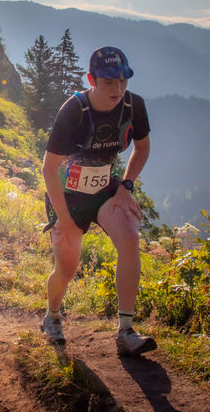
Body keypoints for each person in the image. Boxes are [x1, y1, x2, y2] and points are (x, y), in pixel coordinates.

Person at [40, 46, 156, 357]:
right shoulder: (74, 111)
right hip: (67, 194)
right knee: (67, 268)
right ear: (91, 80)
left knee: (130, 237)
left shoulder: (133, 105)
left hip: (107, 187)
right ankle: (52, 316)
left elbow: (142, 147)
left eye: (123, 81)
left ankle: (126, 331)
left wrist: (126, 187)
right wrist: (64, 220)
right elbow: (49, 169)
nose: (117, 89)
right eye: (108, 83)